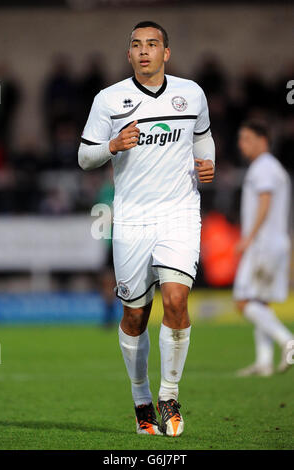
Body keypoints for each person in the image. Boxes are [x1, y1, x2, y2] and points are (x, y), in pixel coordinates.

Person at [78, 21, 215, 437]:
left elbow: (203, 138)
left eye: (152, 44)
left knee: (175, 301)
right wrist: (112, 146)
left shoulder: (191, 94)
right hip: (132, 219)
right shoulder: (108, 99)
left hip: (179, 214)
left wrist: (207, 165)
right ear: (129, 55)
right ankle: (141, 402)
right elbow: (85, 157)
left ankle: (168, 396)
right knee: (135, 315)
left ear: (166, 53)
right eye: (136, 45)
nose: (144, 51)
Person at [234, 120, 293, 377]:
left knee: (243, 301)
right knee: (260, 301)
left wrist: (249, 237)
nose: (241, 144)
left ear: (262, 140)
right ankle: (264, 362)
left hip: (263, 245)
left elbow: (265, 201)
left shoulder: (264, 168)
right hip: (274, 242)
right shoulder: (273, 168)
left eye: (246, 138)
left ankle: (287, 341)